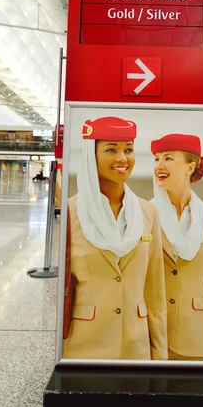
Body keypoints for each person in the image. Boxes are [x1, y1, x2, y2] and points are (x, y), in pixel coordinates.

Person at [63, 116, 167, 361]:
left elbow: (155, 290)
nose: (123, 158)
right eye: (111, 149)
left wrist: (160, 354)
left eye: (128, 150)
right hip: (83, 343)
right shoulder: (71, 213)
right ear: (92, 155)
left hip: (136, 343)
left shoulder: (147, 212)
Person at [151, 133, 203, 361]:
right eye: (156, 159)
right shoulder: (147, 214)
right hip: (152, 331)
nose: (159, 165)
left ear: (189, 167)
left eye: (168, 158)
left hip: (194, 333)